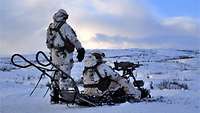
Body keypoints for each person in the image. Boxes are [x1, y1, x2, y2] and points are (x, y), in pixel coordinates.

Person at [46, 9, 85, 103]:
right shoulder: (65, 27)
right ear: (63, 16)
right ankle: (65, 97)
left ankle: (54, 97)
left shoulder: (50, 27)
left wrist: (53, 53)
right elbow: (73, 39)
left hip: (54, 55)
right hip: (65, 55)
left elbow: (48, 44)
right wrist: (80, 49)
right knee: (65, 76)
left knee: (55, 75)